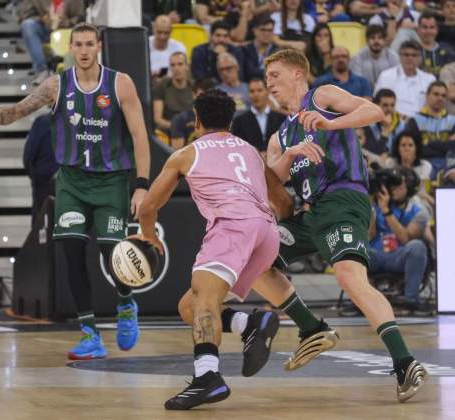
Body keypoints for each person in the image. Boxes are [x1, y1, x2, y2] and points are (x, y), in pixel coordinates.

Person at [0, 23, 151, 360]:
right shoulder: (56, 85)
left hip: (110, 182)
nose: (84, 50)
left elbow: (139, 137)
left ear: (99, 47)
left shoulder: (120, 83)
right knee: (72, 256)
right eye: (78, 44)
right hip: (73, 183)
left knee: (113, 256)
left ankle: (125, 304)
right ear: (71, 48)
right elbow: (17, 111)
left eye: (90, 44)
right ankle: (90, 334)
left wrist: (142, 186)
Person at [138, 89, 335, 410]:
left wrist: (150, 238)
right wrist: (276, 230)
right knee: (189, 308)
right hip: (265, 231)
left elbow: (148, 207)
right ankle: (249, 324)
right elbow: (283, 201)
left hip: (232, 226)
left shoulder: (186, 154)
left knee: (203, 302)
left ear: (196, 120)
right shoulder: (249, 151)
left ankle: (207, 377)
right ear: (231, 120)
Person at [263, 48, 427, 402]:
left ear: (296, 73)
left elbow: (374, 111)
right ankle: (311, 328)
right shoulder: (280, 135)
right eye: (266, 78)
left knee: (350, 277)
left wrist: (330, 123)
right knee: (255, 258)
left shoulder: (321, 96)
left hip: (343, 199)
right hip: (311, 213)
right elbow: (269, 180)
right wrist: (290, 154)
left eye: (275, 75)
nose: (269, 84)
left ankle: (405, 362)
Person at [369, 168, 431, 313]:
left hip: (400, 256)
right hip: (376, 254)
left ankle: (411, 300)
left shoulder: (419, 211)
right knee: (356, 248)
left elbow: (405, 238)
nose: (394, 190)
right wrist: (372, 205)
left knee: (417, 246)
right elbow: (369, 235)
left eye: (399, 187)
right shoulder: (376, 205)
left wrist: (386, 211)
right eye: (392, 187)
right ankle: (359, 301)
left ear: (409, 189)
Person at [18, 0, 85, 85]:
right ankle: (42, 71)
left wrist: (66, 22)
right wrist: (43, 19)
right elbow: (25, 15)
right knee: (27, 25)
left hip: (68, 31)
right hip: (45, 29)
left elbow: (81, 17)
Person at [374, 40, 435, 119]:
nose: (410, 58)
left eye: (414, 55)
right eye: (406, 55)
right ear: (400, 56)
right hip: (393, 121)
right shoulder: (386, 76)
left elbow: (432, 106)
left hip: (422, 124)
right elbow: (378, 103)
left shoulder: (429, 79)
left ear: (420, 58)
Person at [405, 81, 455, 175]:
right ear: (427, 96)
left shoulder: (453, 121)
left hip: (450, 166)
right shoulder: (415, 121)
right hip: (423, 164)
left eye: (443, 95)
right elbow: (415, 149)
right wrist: (445, 144)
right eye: (436, 94)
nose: (440, 98)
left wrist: (429, 144)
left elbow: (453, 148)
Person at [231, 77, 284, 152]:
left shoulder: (282, 118)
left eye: (259, 90)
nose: (256, 94)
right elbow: (238, 147)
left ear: (267, 92)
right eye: (252, 91)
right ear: (248, 94)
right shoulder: (239, 121)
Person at [153, 51, 194, 134]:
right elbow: (157, 119)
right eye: (173, 65)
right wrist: (178, 127)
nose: (176, 68)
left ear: (187, 66)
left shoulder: (194, 87)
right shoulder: (162, 86)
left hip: (191, 131)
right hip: (168, 131)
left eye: (180, 64)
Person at [170, 78, 215, 150]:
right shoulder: (180, 119)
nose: (207, 99)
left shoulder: (219, 119)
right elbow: (177, 153)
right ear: (194, 94)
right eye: (203, 95)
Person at [240, 13, 278, 83]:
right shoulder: (245, 49)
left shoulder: (278, 51)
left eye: (270, 30)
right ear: (254, 31)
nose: (266, 33)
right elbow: (249, 72)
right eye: (263, 30)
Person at [416, 13, 455, 78]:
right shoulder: (411, 50)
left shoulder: (447, 49)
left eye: (432, 27)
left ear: (437, 30)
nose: (428, 31)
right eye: (424, 27)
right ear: (418, 29)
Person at [149, 14, 186, 79]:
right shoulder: (144, 46)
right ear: (153, 29)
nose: (162, 37)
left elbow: (184, 72)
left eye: (166, 33)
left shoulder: (179, 48)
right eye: (159, 32)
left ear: (171, 31)